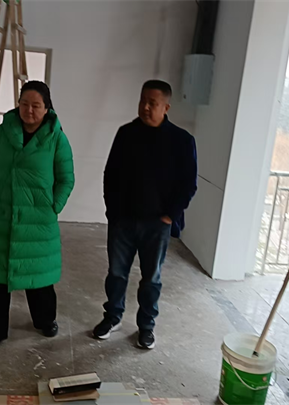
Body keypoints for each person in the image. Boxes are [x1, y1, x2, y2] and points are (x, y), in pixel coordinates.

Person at [0, 81, 75, 355]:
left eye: (36, 105)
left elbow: (66, 178)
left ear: (47, 108)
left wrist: (54, 206)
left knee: (38, 275)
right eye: (24, 104)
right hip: (0, 215)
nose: (29, 110)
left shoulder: (56, 138)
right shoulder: (4, 131)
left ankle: (45, 320)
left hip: (37, 218)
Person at [93, 80, 198, 349]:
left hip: (157, 224)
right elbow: (110, 174)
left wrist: (170, 216)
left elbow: (189, 183)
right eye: (143, 101)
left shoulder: (182, 141)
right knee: (116, 273)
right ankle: (113, 316)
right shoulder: (126, 133)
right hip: (123, 221)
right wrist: (112, 211)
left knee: (151, 278)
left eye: (153, 103)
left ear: (166, 107)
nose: (146, 107)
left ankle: (146, 326)